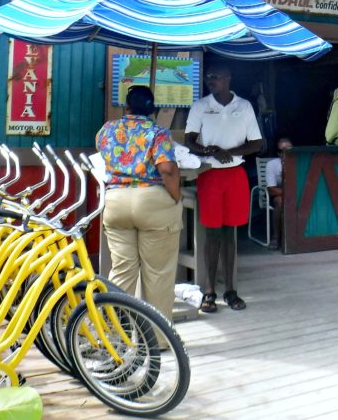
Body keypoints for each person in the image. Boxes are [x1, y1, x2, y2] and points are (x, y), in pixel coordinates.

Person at [95, 85, 182, 321]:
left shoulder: (107, 129)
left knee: (121, 271)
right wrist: (176, 198)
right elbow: (167, 170)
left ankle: (115, 334)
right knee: (157, 274)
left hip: (115, 201)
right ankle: (157, 339)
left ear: (126, 107)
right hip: (151, 200)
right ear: (152, 109)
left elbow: (103, 155)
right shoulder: (159, 132)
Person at [184, 63, 262, 312]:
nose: (211, 80)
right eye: (208, 77)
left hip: (236, 174)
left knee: (231, 234)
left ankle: (230, 289)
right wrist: (211, 150)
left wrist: (230, 152)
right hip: (209, 175)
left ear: (228, 78)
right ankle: (209, 291)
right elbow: (189, 140)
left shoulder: (245, 106)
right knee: (212, 234)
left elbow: (257, 143)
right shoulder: (201, 106)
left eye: (215, 77)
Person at [264, 137, 293, 250]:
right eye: (283, 150)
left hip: (296, 193)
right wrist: (289, 194)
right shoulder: (272, 164)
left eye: (289, 149)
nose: (286, 153)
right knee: (280, 202)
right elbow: (271, 189)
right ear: (278, 153)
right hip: (280, 194)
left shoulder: (298, 161)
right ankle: (276, 237)